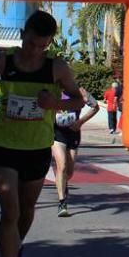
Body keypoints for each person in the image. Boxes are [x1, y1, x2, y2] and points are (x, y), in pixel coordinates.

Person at [0, 11, 86, 257]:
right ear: (23, 33)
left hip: (37, 147)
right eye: (31, 43)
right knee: (9, 211)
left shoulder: (57, 68)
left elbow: (79, 100)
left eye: (42, 46)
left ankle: (16, 248)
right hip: (3, 144)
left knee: (26, 211)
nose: (35, 50)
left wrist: (56, 103)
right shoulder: (4, 61)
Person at [51, 87, 100, 217]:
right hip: (57, 133)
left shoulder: (79, 91)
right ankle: (62, 203)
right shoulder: (52, 91)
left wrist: (80, 122)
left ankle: (63, 183)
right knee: (62, 166)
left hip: (73, 134)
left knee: (70, 171)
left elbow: (95, 106)